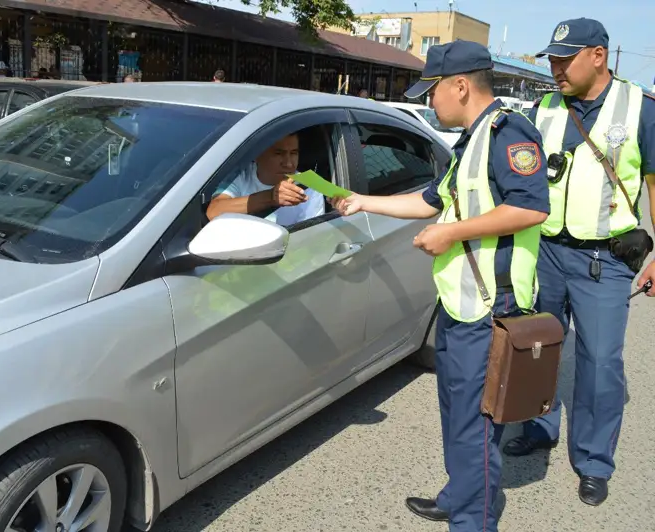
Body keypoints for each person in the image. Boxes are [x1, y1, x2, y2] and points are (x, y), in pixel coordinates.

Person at [331, 40, 550, 532]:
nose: (430, 103)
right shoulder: (470, 141)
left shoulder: (507, 133)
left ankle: (474, 521)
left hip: (493, 307)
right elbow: (432, 199)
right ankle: (460, 496)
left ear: (459, 86)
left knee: (476, 426)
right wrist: (362, 201)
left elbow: (531, 207)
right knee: (458, 416)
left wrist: (450, 233)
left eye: (432, 92)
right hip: (460, 302)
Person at [502, 17, 655, 507]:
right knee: (538, 348)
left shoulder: (640, 109)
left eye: (565, 59)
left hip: (604, 259)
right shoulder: (543, 105)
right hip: (544, 250)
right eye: (551, 59)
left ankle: (592, 460)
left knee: (599, 364)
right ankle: (539, 427)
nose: (555, 68)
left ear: (599, 55)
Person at [207, 133, 325, 226]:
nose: (289, 164)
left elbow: (308, 241)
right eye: (279, 153)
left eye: (294, 153)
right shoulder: (241, 175)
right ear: (257, 154)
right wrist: (270, 197)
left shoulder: (310, 187)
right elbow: (214, 211)